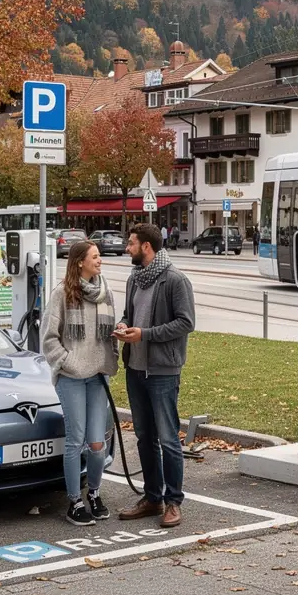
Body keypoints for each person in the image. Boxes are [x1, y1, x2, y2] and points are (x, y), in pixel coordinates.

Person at [115, 223, 195, 529]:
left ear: (146, 247)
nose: (127, 247)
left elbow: (186, 323)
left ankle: (173, 501)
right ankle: (152, 498)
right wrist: (124, 327)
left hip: (162, 372)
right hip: (135, 370)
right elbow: (128, 314)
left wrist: (145, 334)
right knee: (145, 438)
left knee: (168, 439)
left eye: (131, 243)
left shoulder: (175, 280)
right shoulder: (135, 278)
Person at [42, 240, 118, 527]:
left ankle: (94, 493)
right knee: (75, 441)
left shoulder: (105, 291)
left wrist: (115, 342)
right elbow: (49, 339)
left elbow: (108, 331)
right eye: (95, 257)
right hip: (71, 378)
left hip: (98, 376)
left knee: (97, 443)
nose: (100, 261)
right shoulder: (62, 293)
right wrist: (68, 362)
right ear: (79, 262)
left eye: (99, 256)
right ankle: (74, 500)